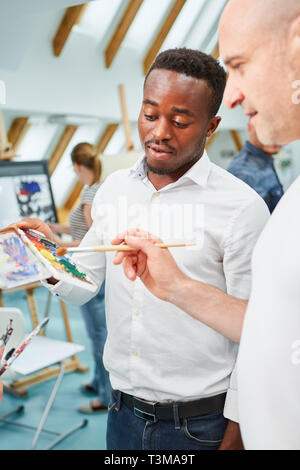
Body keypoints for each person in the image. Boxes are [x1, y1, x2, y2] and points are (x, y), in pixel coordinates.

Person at [13, 49, 269, 451]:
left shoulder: (242, 209)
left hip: (200, 426)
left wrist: (236, 438)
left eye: (181, 121)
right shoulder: (114, 189)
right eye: (150, 115)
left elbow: (257, 336)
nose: (160, 131)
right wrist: (48, 254)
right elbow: (85, 283)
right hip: (122, 415)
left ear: (212, 125)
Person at [112, 0, 300, 450]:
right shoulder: (292, 201)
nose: (234, 96)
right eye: (151, 113)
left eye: (238, 64)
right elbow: (273, 327)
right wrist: (175, 284)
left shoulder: (245, 203)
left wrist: (236, 426)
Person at [51, 142, 111, 414]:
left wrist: (55, 242)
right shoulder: (98, 189)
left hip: (91, 275)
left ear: (76, 166)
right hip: (98, 275)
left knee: (99, 336)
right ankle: (99, 383)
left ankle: (106, 396)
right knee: (98, 333)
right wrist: (55, 228)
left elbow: (90, 240)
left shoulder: (89, 195)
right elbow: (80, 230)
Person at [227, 122, 283, 213]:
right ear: (250, 128)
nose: (275, 136)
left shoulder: (266, 160)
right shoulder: (243, 171)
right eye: (268, 129)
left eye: (280, 131)